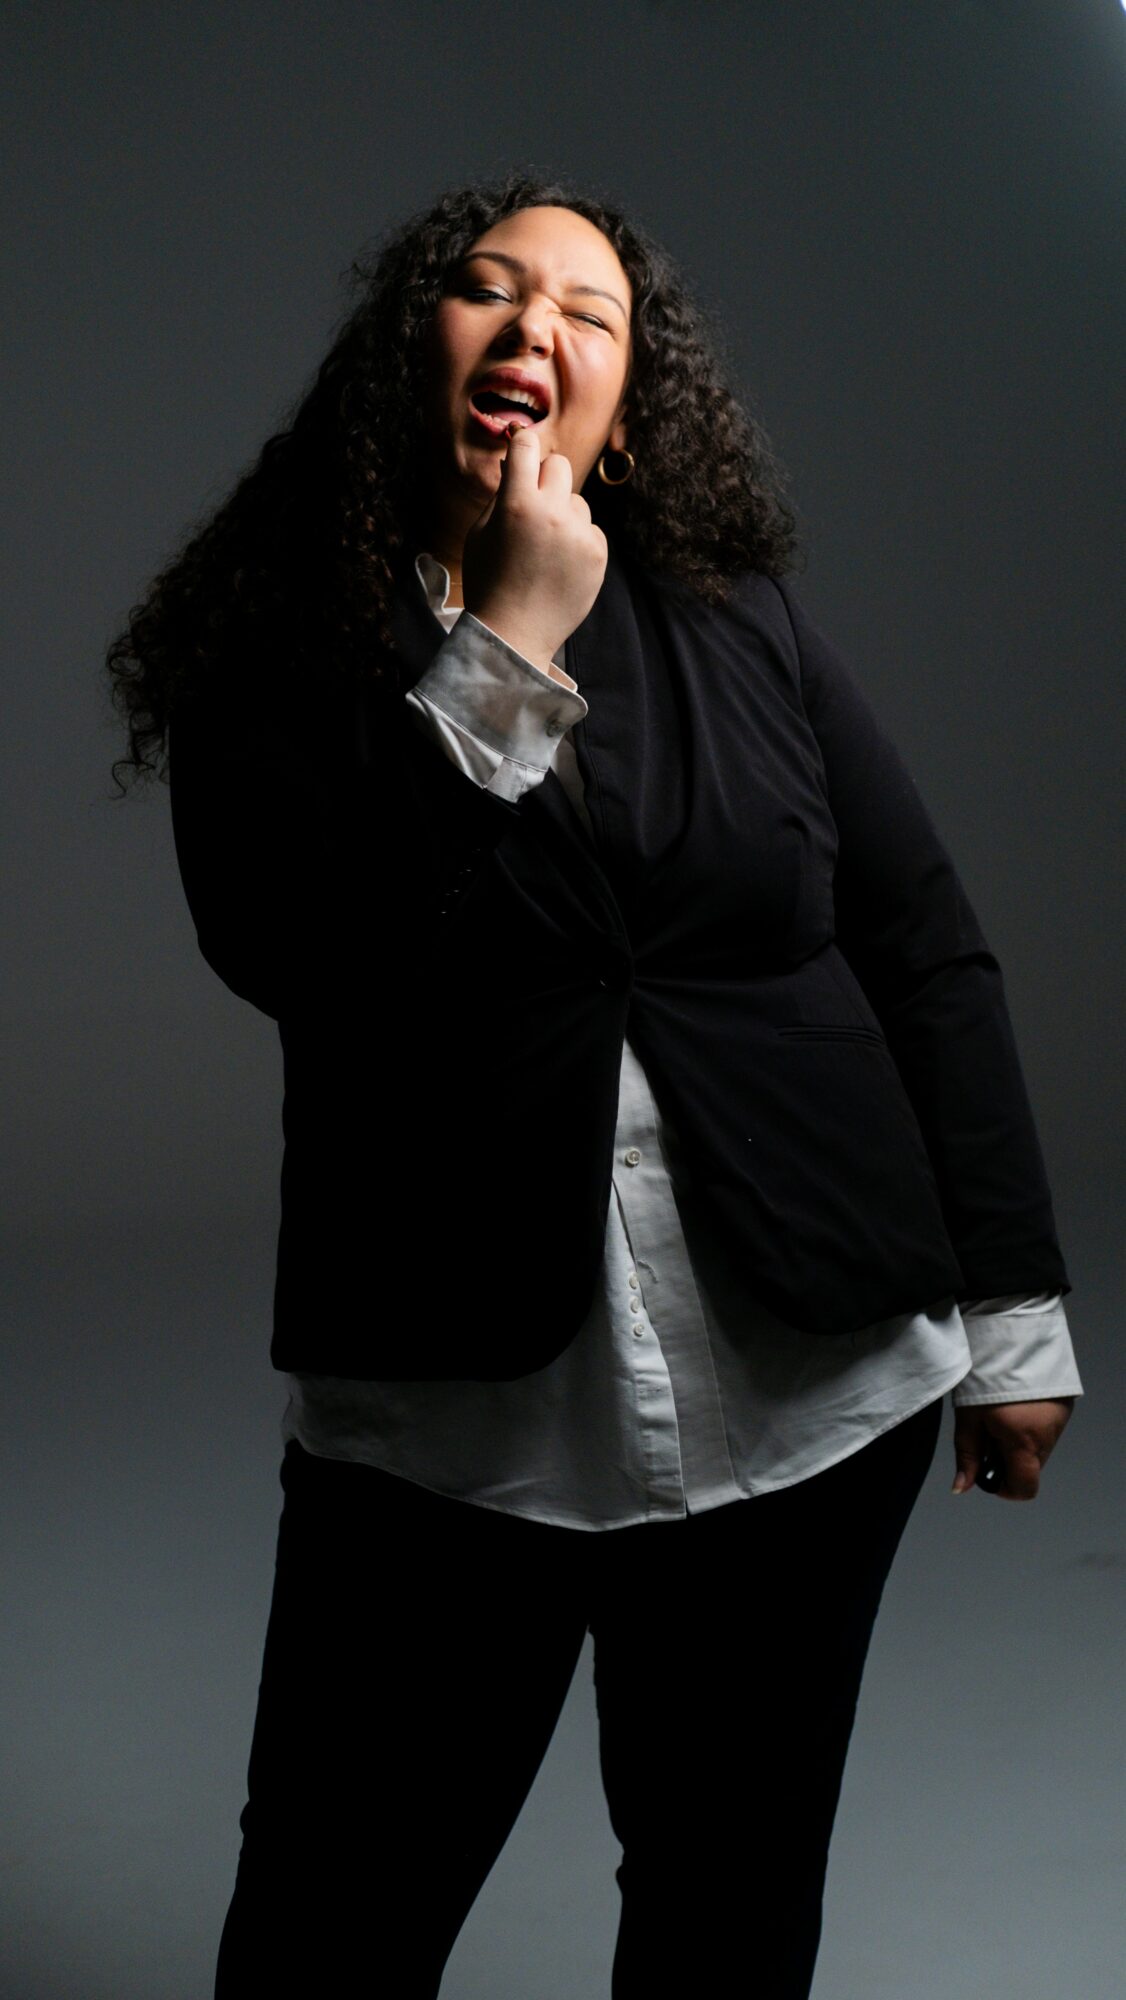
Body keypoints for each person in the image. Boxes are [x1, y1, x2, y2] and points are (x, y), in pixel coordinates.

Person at [105, 173, 1083, 1999]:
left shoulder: (736, 616)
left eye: (587, 308)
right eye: (485, 289)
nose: (533, 325)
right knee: (329, 1926)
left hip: (811, 1389)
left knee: (729, 1920)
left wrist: (1013, 1306)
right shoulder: (273, 643)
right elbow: (303, 953)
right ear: (412, 352)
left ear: (627, 408)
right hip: (452, 1418)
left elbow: (922, 941)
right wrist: (503, 653)